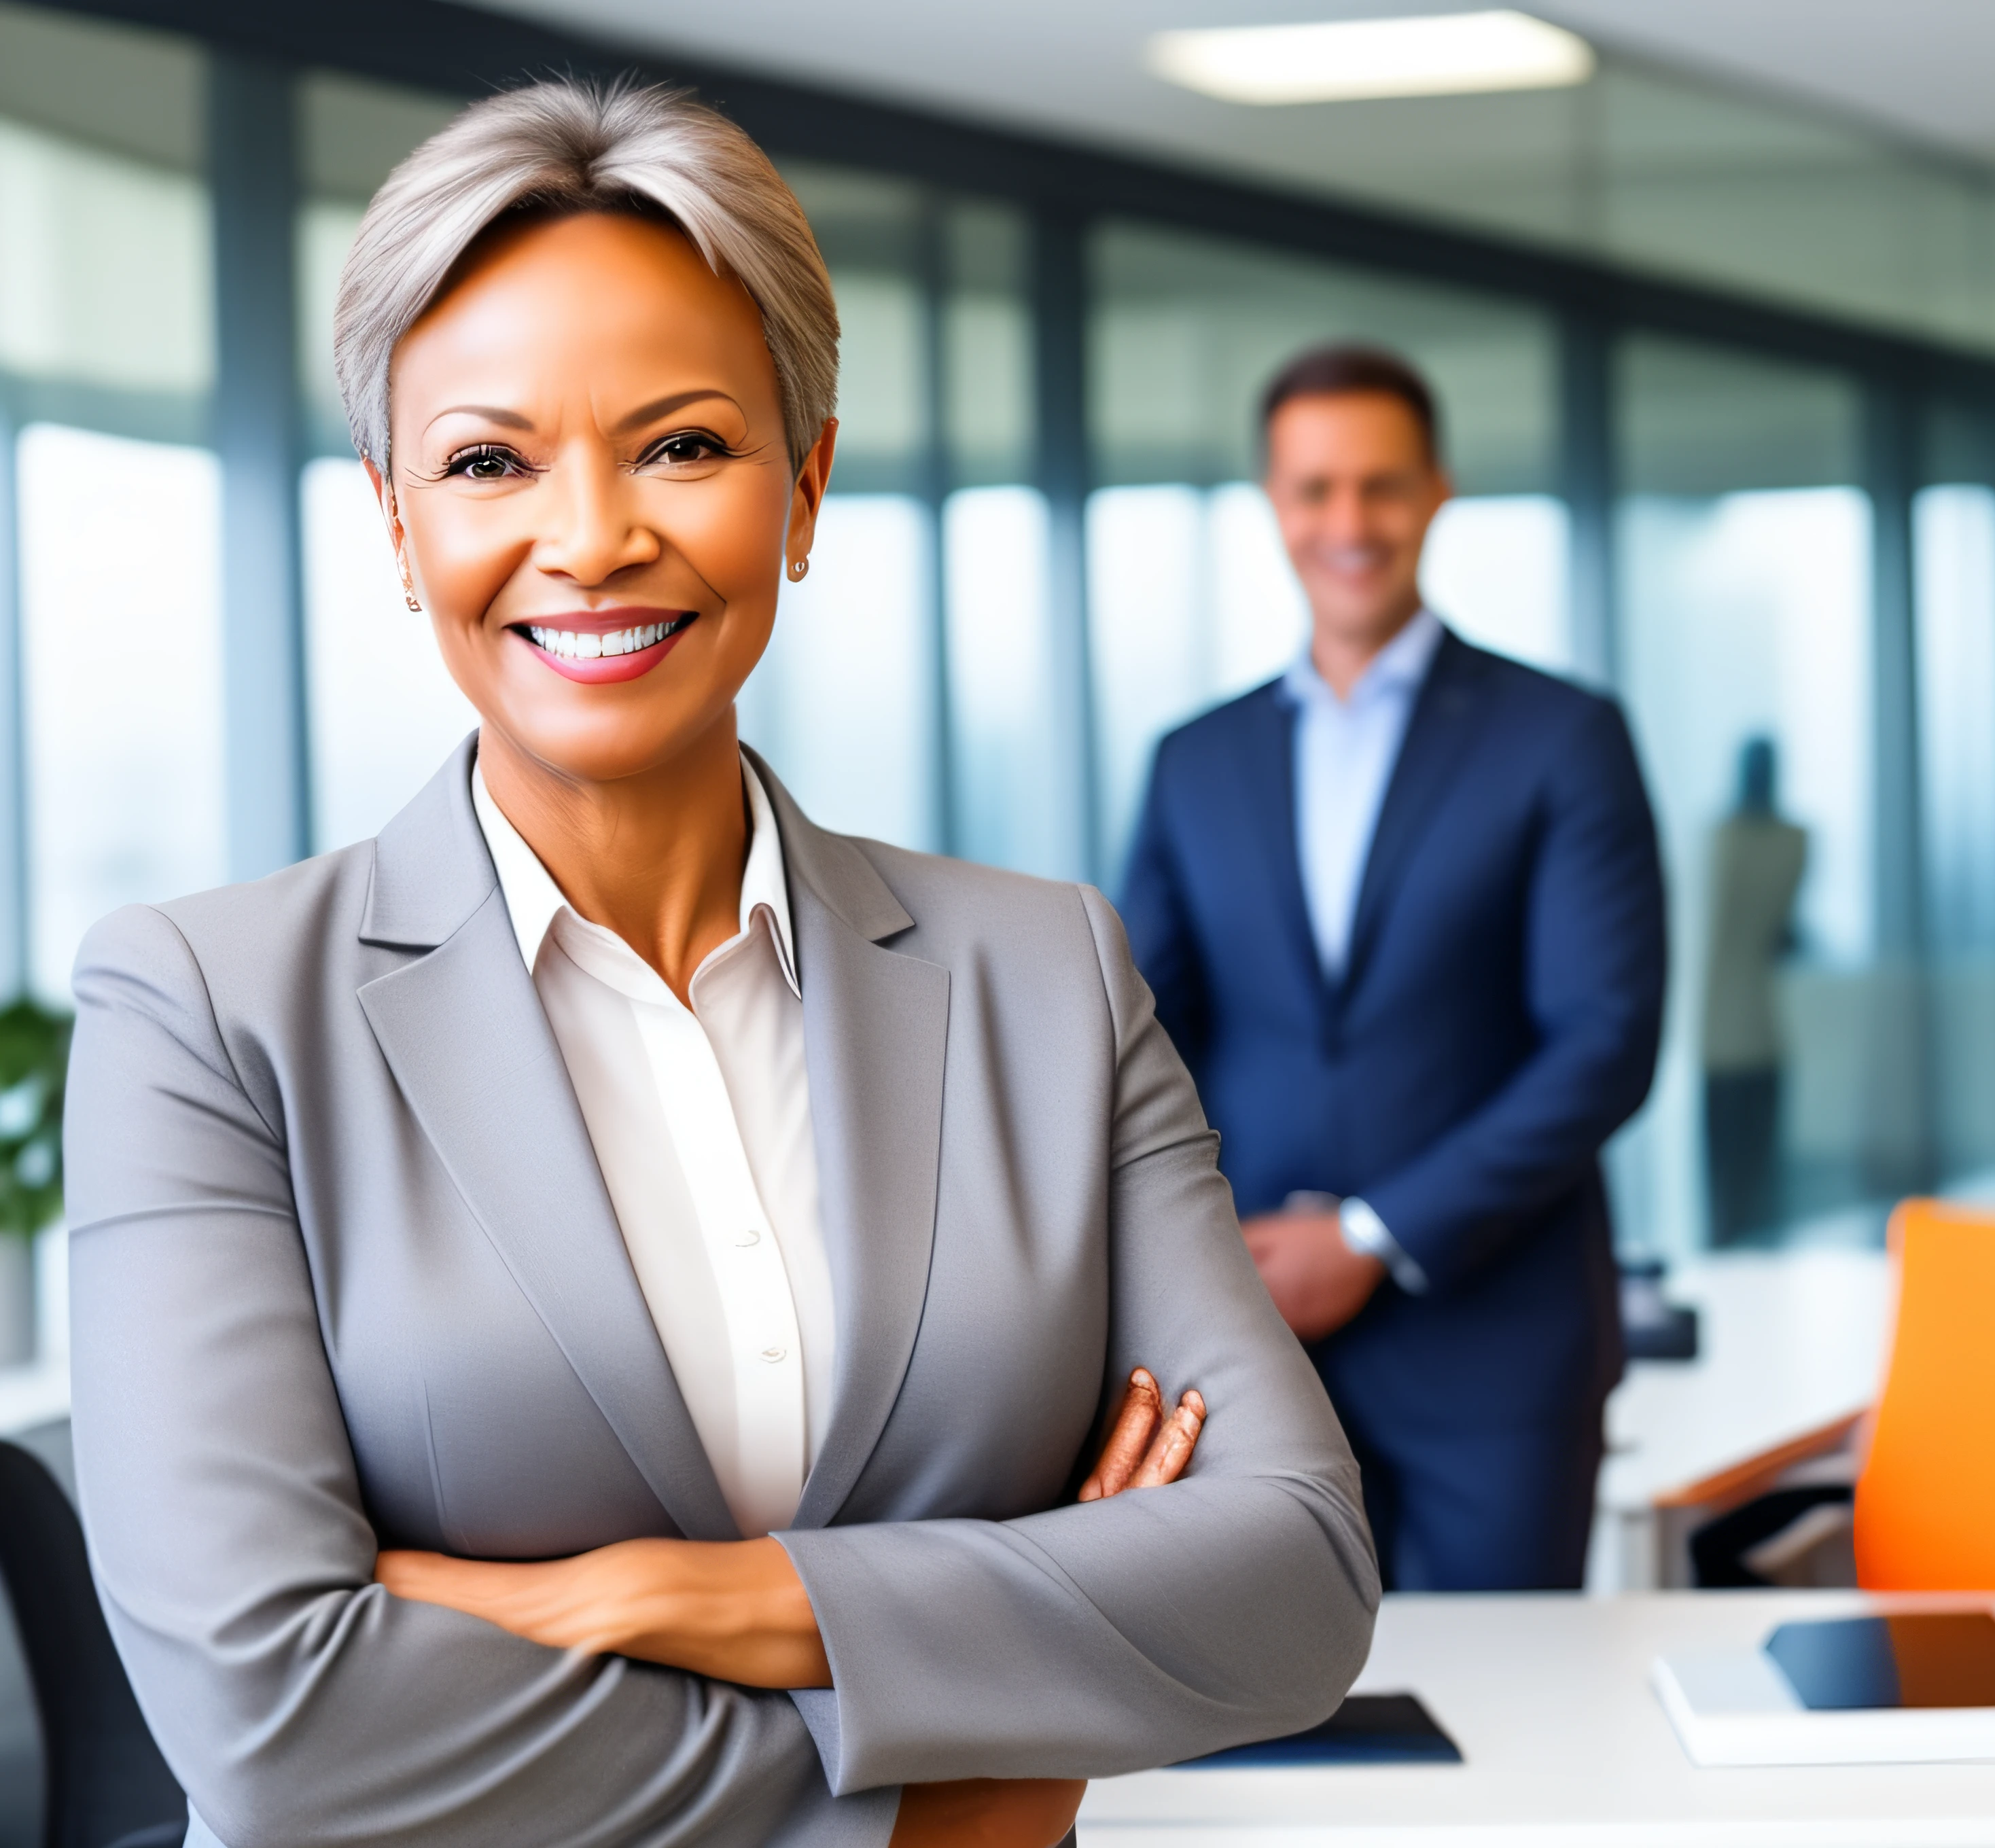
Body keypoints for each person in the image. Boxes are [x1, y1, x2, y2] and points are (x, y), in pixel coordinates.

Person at [63, 83, 1375, 1848]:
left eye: (682, 444)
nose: (592, 535)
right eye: (486, 462)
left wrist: (675, 1600)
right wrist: (951, 1777)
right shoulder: (206, 1014)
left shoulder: (1041, 975)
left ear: (808, 483)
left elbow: (1293, 1577)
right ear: (394, 524)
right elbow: (274, 1719)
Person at [1120, 345, 1667, 1593]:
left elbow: (1604, 1039)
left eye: (1381, 486)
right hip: (1248, 1336)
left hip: (1497, 1340)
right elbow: (1140, 1035)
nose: (1348, 523)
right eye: (1316, 490)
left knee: (1505, 1722)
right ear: (1273, 503)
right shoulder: (1193, 762)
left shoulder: (1562, 739)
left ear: (1437, 495)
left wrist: (1373, 1235)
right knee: (1259, 1735)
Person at [1700, 736, 1807, 1245]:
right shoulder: (1782, 841)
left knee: (1747, 1171)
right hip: (1736, 1027)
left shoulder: (1729, 840)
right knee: (1737, 1173)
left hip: (1742, 1026)